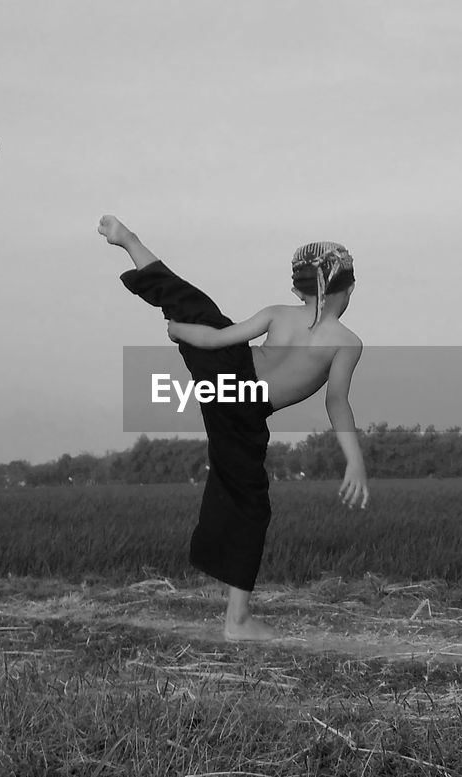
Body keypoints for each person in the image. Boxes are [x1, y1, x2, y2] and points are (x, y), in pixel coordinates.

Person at [97, 214, 369, 641]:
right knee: (248, 503)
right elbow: (336, 402)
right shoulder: (347, 342)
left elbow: (220, 340)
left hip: (226, 375)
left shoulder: (278, 314)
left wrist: (182, 332)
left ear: (297, 288)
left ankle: (128, 240)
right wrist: (354, 462)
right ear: (349, 290)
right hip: (245, 408)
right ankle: (237, 620)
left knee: (190, 301)